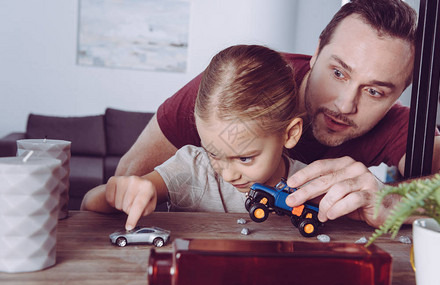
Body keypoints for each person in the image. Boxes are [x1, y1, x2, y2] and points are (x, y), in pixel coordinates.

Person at [112, 0, 440, 228]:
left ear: (399, 94)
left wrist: (394, 201)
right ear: (317, 51)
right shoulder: (236, 89)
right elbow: (128, 182)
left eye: (375, 91)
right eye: (338, 72)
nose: (346, 104)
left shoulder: (400, 125)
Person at [81, 45, 306, 230]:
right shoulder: (193, 170)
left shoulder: (311, 185)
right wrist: (121, 192)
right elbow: (89, 203)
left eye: (245, 158)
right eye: (214, 153)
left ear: (290, 133)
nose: (227, 174)